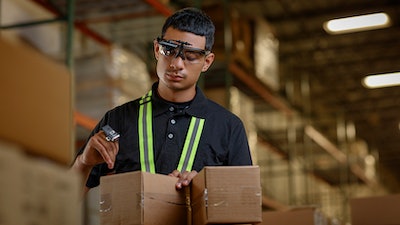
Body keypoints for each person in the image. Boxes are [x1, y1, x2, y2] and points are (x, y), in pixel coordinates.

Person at [71, 7, 253, 193]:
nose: (177, 64)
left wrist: (205, 188)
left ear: (207, 62)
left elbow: (244, 203)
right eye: (169, 51)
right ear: (157, 49)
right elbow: (69, 198)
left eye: (190, 56)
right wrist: (84, 163)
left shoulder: (228, 128)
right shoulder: (118, 120)